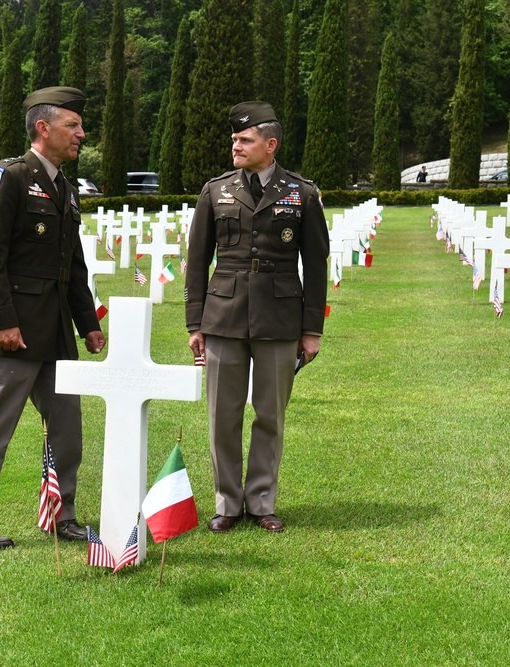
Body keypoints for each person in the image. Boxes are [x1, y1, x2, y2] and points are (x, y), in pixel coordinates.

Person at [0, 86, 106, 550]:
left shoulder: (64, 188)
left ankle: (61, 515)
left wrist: (87, 322)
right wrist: (1, 319)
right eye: (73, 125)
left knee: (67, 427)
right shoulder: (7, 177)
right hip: (12, 331)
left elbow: (71, 266)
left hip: (54, 333)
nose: (81, 133)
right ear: (43, 127)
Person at [185, 101, 329, 534]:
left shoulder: (301, 193)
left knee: (270, 414)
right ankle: (227, 503)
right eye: (234, 139)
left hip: (279, 318)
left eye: (245, 140)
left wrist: (311, 330)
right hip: (224, 317)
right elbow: (196, 262)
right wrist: (196, 324)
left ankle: (262, 500)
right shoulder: (216, 190)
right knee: (222, 415)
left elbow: (316, 263)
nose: (236, 146)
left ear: (271, 144)